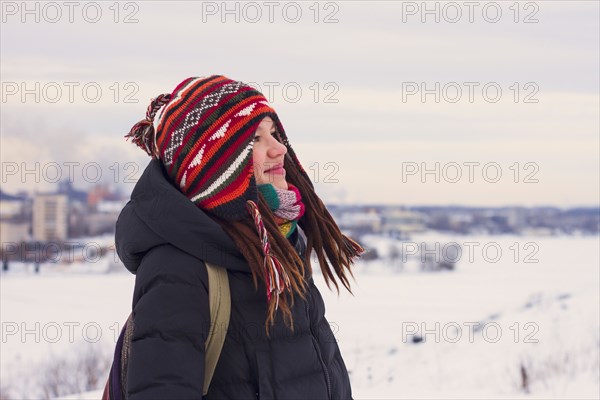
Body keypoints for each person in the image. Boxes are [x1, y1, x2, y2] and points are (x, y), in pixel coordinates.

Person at [116, 74, 364, 399]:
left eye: (274, 134)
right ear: (216, 164)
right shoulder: (179, 269)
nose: (279, 149)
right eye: (256, 139)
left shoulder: (279, 244)